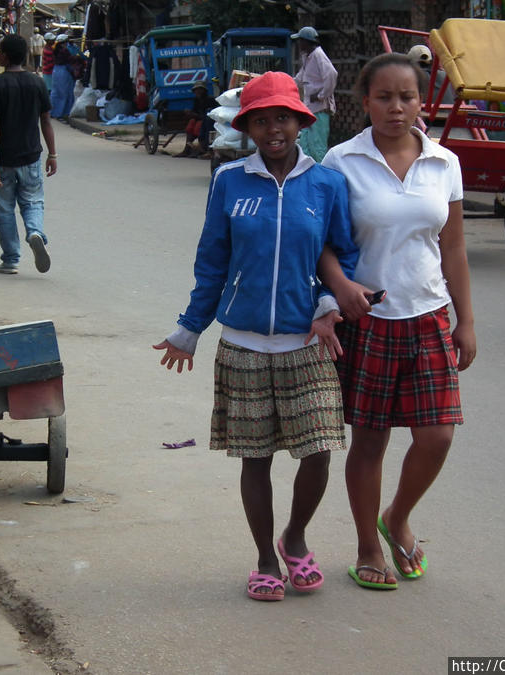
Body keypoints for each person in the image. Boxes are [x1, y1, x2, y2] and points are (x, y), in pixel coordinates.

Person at [153, 71, 360, 602]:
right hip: (243, 344)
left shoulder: (326, 184)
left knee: (318, 452)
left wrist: (329, 306)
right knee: (256, 458)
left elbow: (343, 257)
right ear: (247, 126)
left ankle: (295, 537)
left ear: (300, 122)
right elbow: (213, 260)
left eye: (283, 119)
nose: (274, 130)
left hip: (307, 343)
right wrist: (189, 328)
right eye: (262, 120)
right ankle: (266, 556)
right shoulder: (229, 182)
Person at [319, 52, 476, 590]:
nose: (395, 107)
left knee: (437, 436)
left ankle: (397, 517)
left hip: (429, 316)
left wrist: (466, 320)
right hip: (369, 321)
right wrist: (339, 290)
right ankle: (367, 544)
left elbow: (452, 246)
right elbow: (322, 246)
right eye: (383, 97)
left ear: (421, 102)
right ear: (364, 103)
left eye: (406, 96)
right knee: (370, 442)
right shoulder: (342, 162)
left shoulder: (444, 162)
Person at [0, 34, 57, 275]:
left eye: (0, 51)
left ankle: (11, 259)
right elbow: (46, 120)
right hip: (32, 156)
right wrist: (52, 154)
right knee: (33, 201)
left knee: (4, 208)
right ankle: (34, 232)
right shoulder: (37, 83)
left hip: (4, 159)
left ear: (4, 56)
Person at [291, 26, 338, 162]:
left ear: (307, 41)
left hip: (319, 108)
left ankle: (321, 173)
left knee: (317, 147)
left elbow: (331, 74)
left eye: (301, 41)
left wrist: (321, 95)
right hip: (309, 108)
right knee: (305, 145)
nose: (299, 44)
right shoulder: (308, 57)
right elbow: (300, 78)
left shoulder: (318, 54)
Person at [174, 81, 217, 158]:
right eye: (196, 90)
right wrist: (190, 113)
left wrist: (194, 114)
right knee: (191, 123)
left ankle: (201, 148)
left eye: (200, 89)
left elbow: (207, 115)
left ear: (204, 90)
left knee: (198, 126)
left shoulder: (210, 100)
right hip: (199, 119)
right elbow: (195, 112)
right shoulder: (196, 100)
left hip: (207, 121)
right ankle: (187, 149)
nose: (198, 91)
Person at [49, 34, 73, 120]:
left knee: (55, 93)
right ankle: (61, 114)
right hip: (63, 72)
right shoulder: (65, 51)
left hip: (56, 71)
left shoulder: (55, 50)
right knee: (64, 94)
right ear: (64, 43)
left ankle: (53, 112)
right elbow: (70, 62)